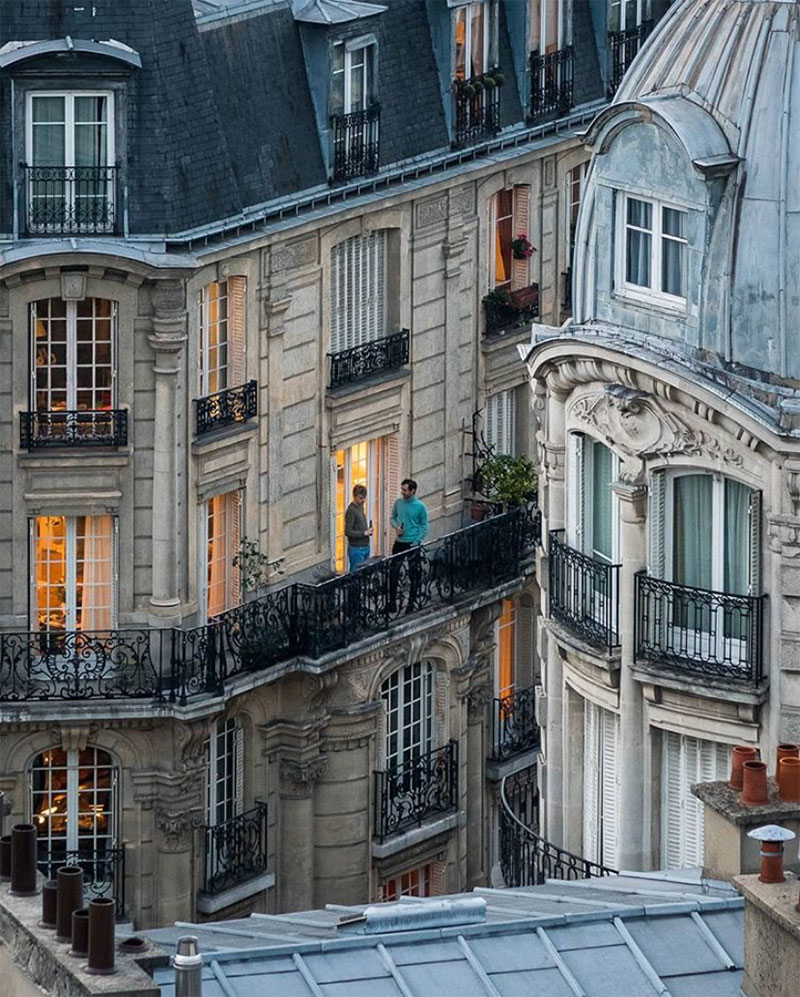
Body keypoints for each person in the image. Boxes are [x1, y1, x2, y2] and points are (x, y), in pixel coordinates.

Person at [389, 478, 429, 611]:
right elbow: (392, 518)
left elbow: (424, 526)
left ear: (413, 491)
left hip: (412, 544)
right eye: (402, 490)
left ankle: (411, 603)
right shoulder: (398, 503)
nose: (403, 492)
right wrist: (396, 527)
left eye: (405, 490)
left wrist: (416, 541)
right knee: (393, 572)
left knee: (413, 574)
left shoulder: (420, 507)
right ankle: (392, 603)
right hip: (399, 542)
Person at [345, 484, 373, 572]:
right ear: (355, 496)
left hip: (365, 546)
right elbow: (348, 531)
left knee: (363, 574)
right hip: (357, 549)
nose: (363, 500)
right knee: (356, 574)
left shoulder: (360, 507)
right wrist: (364, 533)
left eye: (364, 498)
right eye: (360, 498)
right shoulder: (351, 510)